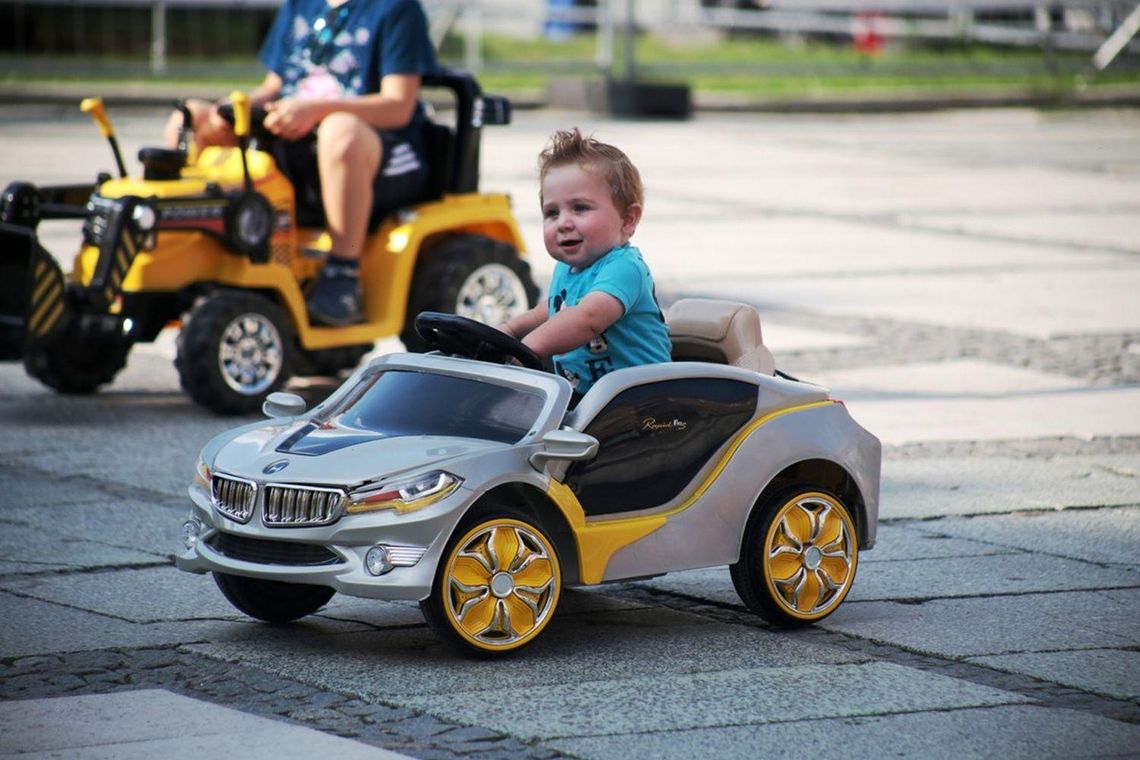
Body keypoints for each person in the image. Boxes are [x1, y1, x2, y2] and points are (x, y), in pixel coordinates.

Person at [164, 0, 437, 326]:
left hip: (378, 153)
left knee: (340, 129)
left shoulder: (396, 9)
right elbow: (274, 87)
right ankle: (193, 241)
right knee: (191, 117)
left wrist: (315, 110)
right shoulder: (301, 5)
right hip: (298, 142)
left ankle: (343, 275)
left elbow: (398, 106)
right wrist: (230, 110)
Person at [500, 128, 671, 396]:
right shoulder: (565, 270)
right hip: (588, 401)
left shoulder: (624, 268)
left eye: (580, 208)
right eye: (552, 213)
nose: (564, 223)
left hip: (642, 404)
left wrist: (527, 348)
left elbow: (587, 318)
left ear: (627, 220)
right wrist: (508, 331)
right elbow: (550, 310)